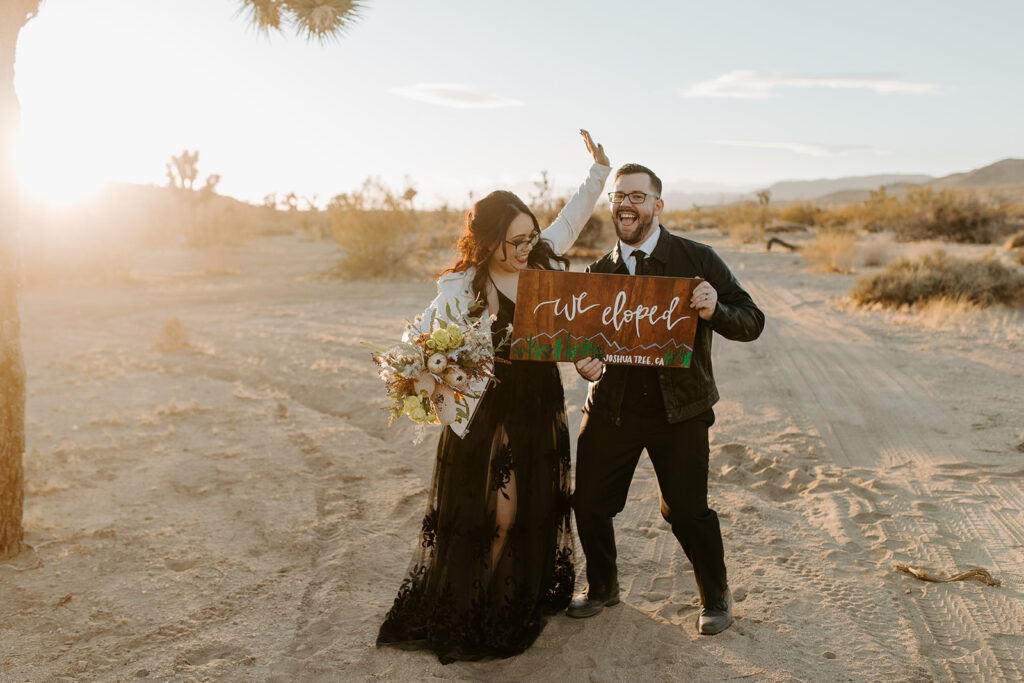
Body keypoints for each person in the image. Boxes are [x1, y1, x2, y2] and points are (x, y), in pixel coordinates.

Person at [377, 130, 611, 663]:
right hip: (485, 412)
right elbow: (418, 345)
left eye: (532, 235)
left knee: (534, 504)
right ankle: (478, 604)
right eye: (517, 240)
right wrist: (427, 379)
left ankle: (513, 593)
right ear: (488, 242)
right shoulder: (465, 287)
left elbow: (572, 217)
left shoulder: (543, 261)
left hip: (537, 403)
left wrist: (599, 172)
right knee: (496, 515)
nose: (528, 246)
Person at [568, 163, 764, 635]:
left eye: (638, 196)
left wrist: (715, 309)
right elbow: (586, 343)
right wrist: (584, 363)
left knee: (686, 510)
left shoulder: (697, 259)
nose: (626, 204)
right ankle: (603, 587)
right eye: (619, 196)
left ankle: (715, 596)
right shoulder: (600, 271)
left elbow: (752, 320)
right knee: (590, 502)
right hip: (612, 407)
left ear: (658, 205)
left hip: (680, 411)